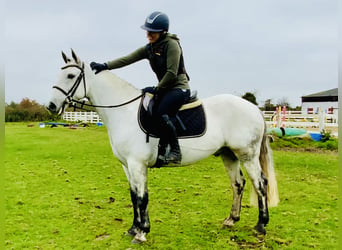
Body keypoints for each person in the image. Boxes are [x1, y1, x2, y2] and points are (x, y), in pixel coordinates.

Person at [90, 11, 191, 166]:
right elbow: (127, 59)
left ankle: (175, 151)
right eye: (147, 31)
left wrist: (156, 88)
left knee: (161, 113)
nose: (148, 35)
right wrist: (105, 65)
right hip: (164, 89)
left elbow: (171, 73)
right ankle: (159, 148)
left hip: (178, 88)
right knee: (148, 110)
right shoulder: (149, 48)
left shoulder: (172, 45)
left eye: (152, 32)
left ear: (162, 31)